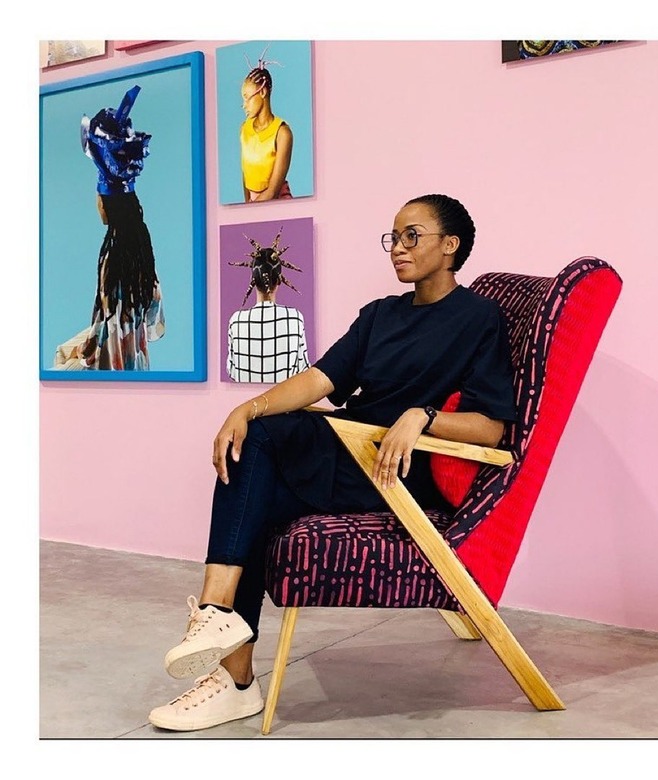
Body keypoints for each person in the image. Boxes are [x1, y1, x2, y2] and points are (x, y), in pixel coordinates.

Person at [148, 194, 517, 732]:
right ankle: (231, 665)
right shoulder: (380, 314)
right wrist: (246, 407)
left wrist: (424, 416)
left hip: (397, 471)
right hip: (350, 449)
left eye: (412, 236)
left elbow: (492, 427)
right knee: (255, 475)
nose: (398, 248)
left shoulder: (479, 319)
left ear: (450, 245)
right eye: (393, 237)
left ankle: (221, 629)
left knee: (263, 448)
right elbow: (320, 379)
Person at [55, 84, 165, 371]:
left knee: (60, 361)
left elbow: (106, 329)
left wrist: (84, 350)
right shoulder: (143, 252)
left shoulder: (112, 255)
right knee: (65, 350)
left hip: (111, 367)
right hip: (138, 361)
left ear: (106, 206)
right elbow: (155, 321)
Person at [226, 228, 310, 383]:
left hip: (244, 397)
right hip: (285, 396)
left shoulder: (236, 320)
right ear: (279, 280)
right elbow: (303, 368)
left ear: (253, 279)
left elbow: (232, 371)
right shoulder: (294, 318)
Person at [240, 50, 294, 202]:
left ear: (262, 92)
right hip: (253, 205)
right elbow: (245, 173)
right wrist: (245, 207)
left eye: (247, 98)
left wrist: (249, 211)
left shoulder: (282, 133)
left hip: (277, 203)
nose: (244, 105)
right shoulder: (244, 129)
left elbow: (272, 191)